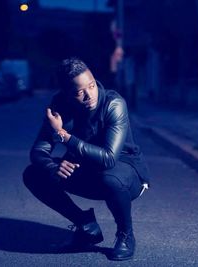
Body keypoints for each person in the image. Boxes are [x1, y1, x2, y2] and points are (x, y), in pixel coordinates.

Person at [22, 57, 150, 261]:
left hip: (125, 173)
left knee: (110, 177)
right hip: (89, 172)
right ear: (66, 93)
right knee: (33, 174)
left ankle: (126, 234)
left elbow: (108, 158)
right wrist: (52, 166)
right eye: (79, 91)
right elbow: (38, 150)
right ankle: (85, 224)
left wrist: (64, 136)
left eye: (91, 85)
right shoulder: (60, 106)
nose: (89, 95)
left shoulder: (113, 103)